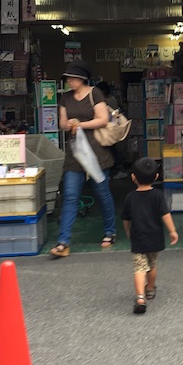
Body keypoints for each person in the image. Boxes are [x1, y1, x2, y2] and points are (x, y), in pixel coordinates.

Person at [49, 60, 118, 257]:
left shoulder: (95, 93)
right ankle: (63, 241)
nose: (69, 81)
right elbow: (62, 123)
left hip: (96, 151)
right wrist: (69, 124)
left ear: (82, 78)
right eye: (68, 78)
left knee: (102, 192)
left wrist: (80, 124)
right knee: (70, 195)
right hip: (75, 153)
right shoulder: (65, 98)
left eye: (72, 78)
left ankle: (110, 231)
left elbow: (103, 119)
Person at [121, 157, 179, 314]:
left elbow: (126, 219)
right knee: (152, 265)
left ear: (133, 177)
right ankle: (150, 289)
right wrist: (172, 231)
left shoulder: (130, 197)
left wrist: (127, 230)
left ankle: (140, 297)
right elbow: (165, 215)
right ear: (156, 177)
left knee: (139, 267)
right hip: (155, 236)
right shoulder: (158, 195)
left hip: (138, 237)